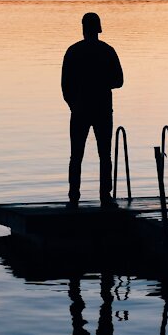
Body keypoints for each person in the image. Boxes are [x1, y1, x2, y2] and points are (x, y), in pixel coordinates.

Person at [62, 12, 124, 208]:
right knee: (104, 155)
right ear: (99, 28)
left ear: (83, 28)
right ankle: (105, 196)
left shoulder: (73, 51)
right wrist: (103, 83)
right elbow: (119, 81)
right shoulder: (107, 51)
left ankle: (73, 197)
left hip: (79, 110)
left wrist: (73, 104)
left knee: (76, 155)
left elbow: (65, 85)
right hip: (102, 109)